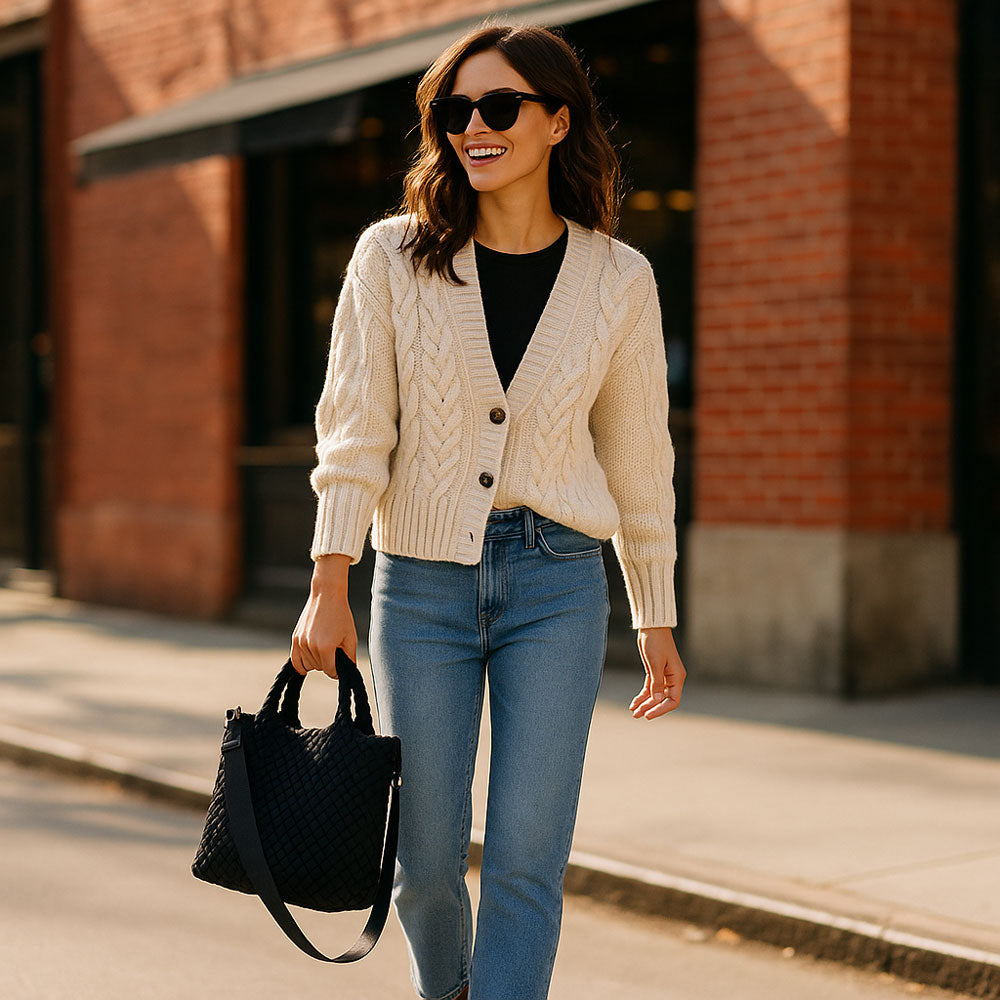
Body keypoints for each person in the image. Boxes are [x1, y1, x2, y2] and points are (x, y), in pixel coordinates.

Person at [290, 19, 686, 1000]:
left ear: (557, 123)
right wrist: (328, 579)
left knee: (523, 856)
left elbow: (639, 458)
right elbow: (352, 432)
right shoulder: (392, 259)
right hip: (419, 582)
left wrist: (656, 611)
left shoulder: (619, 280)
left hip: (557, 582)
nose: (474, 124)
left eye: (499, 105)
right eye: (454, 108)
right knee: (423, 862)